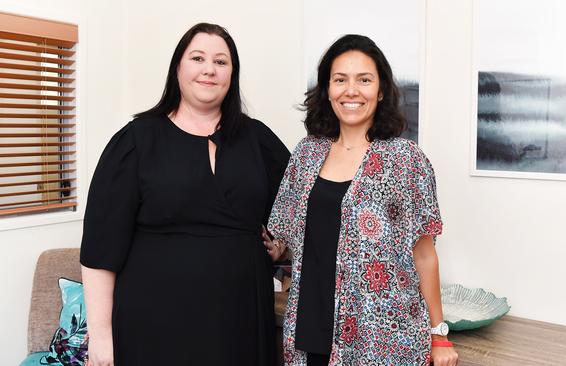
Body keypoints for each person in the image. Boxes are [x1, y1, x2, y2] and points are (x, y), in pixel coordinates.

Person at [80, 23, 289, 366]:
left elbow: (297, 205)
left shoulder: (258, 139)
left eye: (221, 62)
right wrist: (102, 338)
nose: (209, 69)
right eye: (198, 58)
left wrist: (282, 244)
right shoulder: (135, 141)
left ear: (232, 75)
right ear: (178, 67)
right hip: (153, 322)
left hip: (240, 320)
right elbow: (101, 249)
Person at [268, 34, 458, 366]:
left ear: (381, 90)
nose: (351, 90)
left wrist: (439, 335)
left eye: (364, 80)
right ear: (328, 89)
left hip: (382, 341)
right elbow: (291, 242)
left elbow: (425, 256)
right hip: (310, 332)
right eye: (340, 80)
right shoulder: (306, 154)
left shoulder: (406, 160)